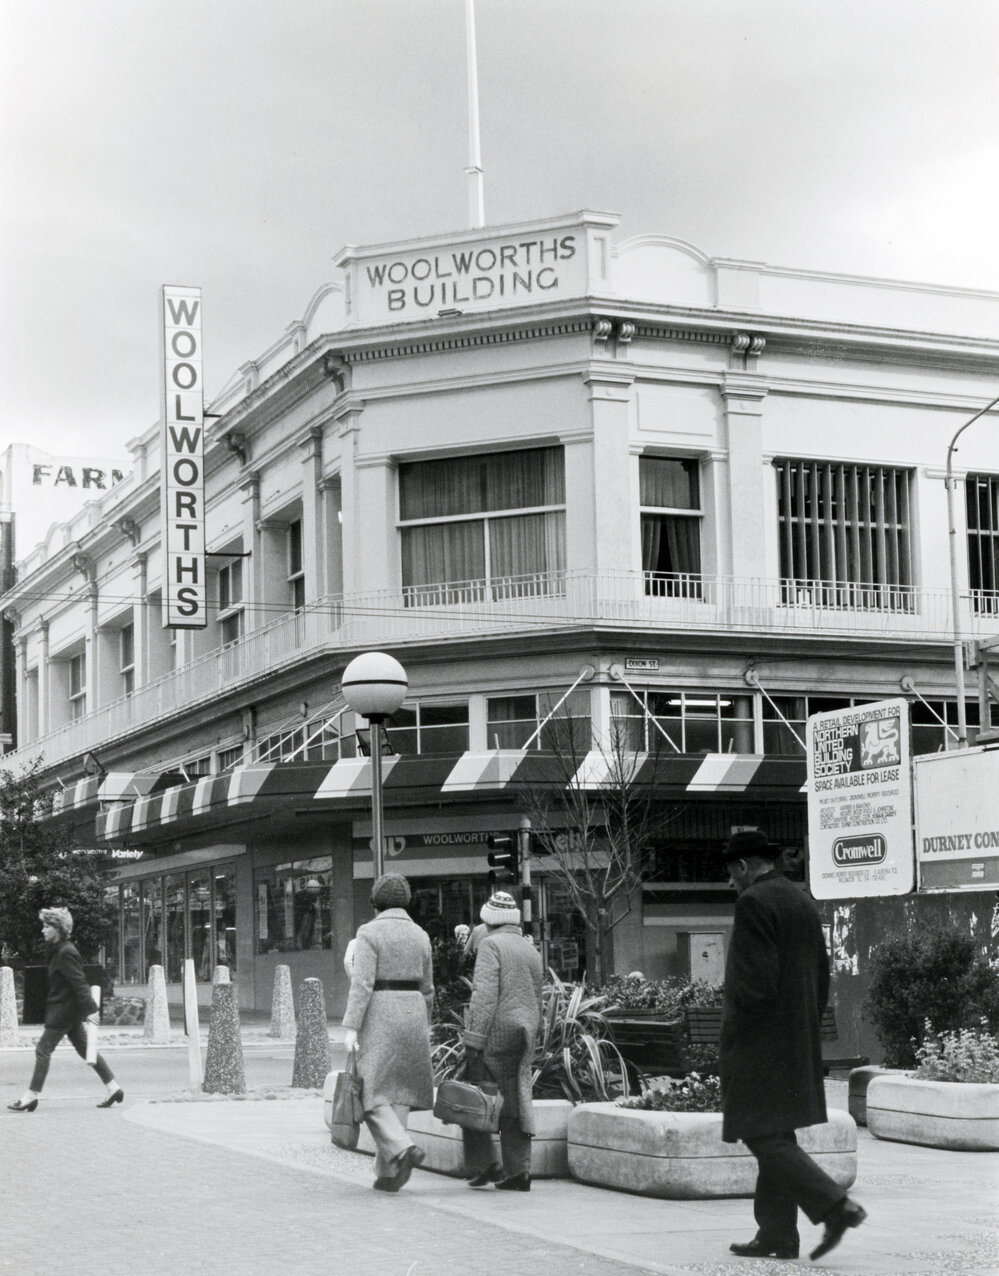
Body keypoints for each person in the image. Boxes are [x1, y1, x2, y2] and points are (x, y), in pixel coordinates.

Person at [720, 831, 866, 1262]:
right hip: (796, 1038)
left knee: (760, 1133)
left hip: (759, 1043)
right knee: (776, 1132)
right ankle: (777, 1235)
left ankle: (836, 1206)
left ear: (745, 866)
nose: (731, 883)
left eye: (732, 873)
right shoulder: (801, 900)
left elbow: (754, 986)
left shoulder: (753, 903)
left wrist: (735, 1034)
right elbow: (821, 975)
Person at [341, 873, 434, 1192]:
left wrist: (352, 1025)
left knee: (369, 1092)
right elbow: (429, 987)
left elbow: (362, 982)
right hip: (414, 1010)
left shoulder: (369, 932)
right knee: (400, 1092)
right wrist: (425, 1021)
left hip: (381, 1010)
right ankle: (389, 1172)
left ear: (376, 901)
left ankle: (402, 1149)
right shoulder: (421, 934)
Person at [461, 890, 543, 1192]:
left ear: (490, 920)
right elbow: (538, 996)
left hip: (495, 1033)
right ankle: (519, 1171)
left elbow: (483, 996)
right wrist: (534, 1033)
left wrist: (474, 1039)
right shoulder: (529, 949)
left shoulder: (490, 945)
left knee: (473, 1097)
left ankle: (486, 1165)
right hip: (523, 1032)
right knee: (516, 1100)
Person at [8, 907, 124, 1112]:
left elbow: (79, 982)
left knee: (42, 1049)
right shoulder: (56, 950)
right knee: (85, 1049)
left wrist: (92, 1010)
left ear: (58, 929)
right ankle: (113, 1087)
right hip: (67, 1011)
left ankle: (31, 1096)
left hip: (63, 1011)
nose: (43, 930)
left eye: (47, 926)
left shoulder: (65, 952)